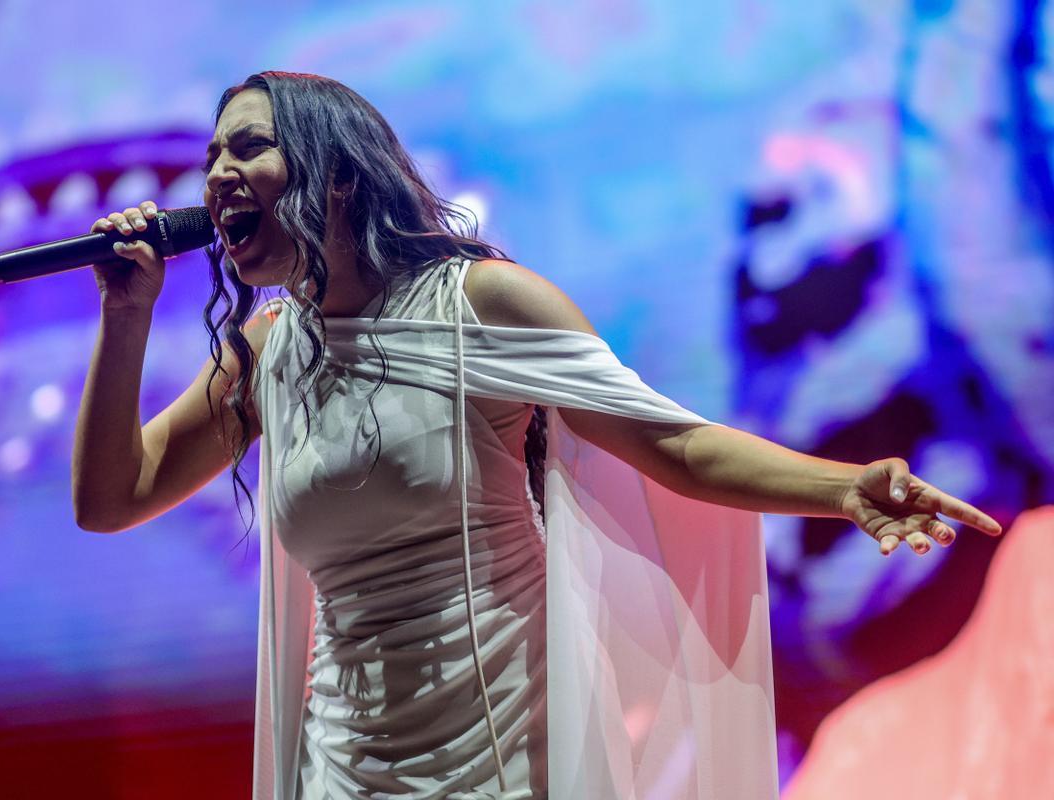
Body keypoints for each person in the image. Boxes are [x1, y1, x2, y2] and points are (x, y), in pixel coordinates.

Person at [71, 71, 1002, 800]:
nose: (216, 175)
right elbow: (113, 498)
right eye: (210, 157)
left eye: (249, 148)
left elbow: (672, 445)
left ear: (338, 175)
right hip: (341, 764)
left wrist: (840, 488)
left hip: (497, 754)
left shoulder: (479, 305)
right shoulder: (267, 352)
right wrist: (127, 314)